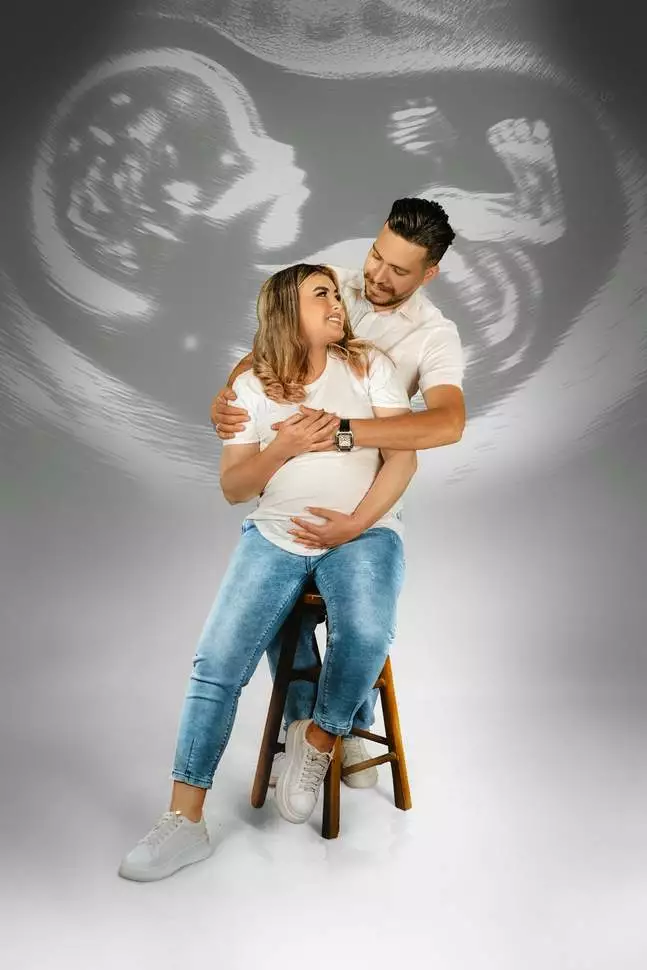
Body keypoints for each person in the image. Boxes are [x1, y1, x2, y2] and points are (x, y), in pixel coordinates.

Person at [118, 262, 416, 881]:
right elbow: (234, 488)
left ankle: (320, 737)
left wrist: (353, 524)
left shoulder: (369, 367)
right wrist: (282, 447)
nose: (338, 304)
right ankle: (185, 822)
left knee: (366, 632)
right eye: (321, 295)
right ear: (286, 312)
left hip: (364, 531)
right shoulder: (251, 387)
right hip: (276, 534)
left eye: (336, 294)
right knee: (216, 662)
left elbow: (402, 461)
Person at [211, 198, 466, 787]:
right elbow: (266, 355)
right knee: (280, 608)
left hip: (368, 499)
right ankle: (308, 724)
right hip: (289, 494)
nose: (378, 275)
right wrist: (227, 401)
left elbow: (448, 424)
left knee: (362, 619)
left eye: (399, 270)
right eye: (377, 256)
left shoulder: (434, 335)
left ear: (429, 274)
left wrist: (344, 432)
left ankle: (341, 727)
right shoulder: (332, 286)